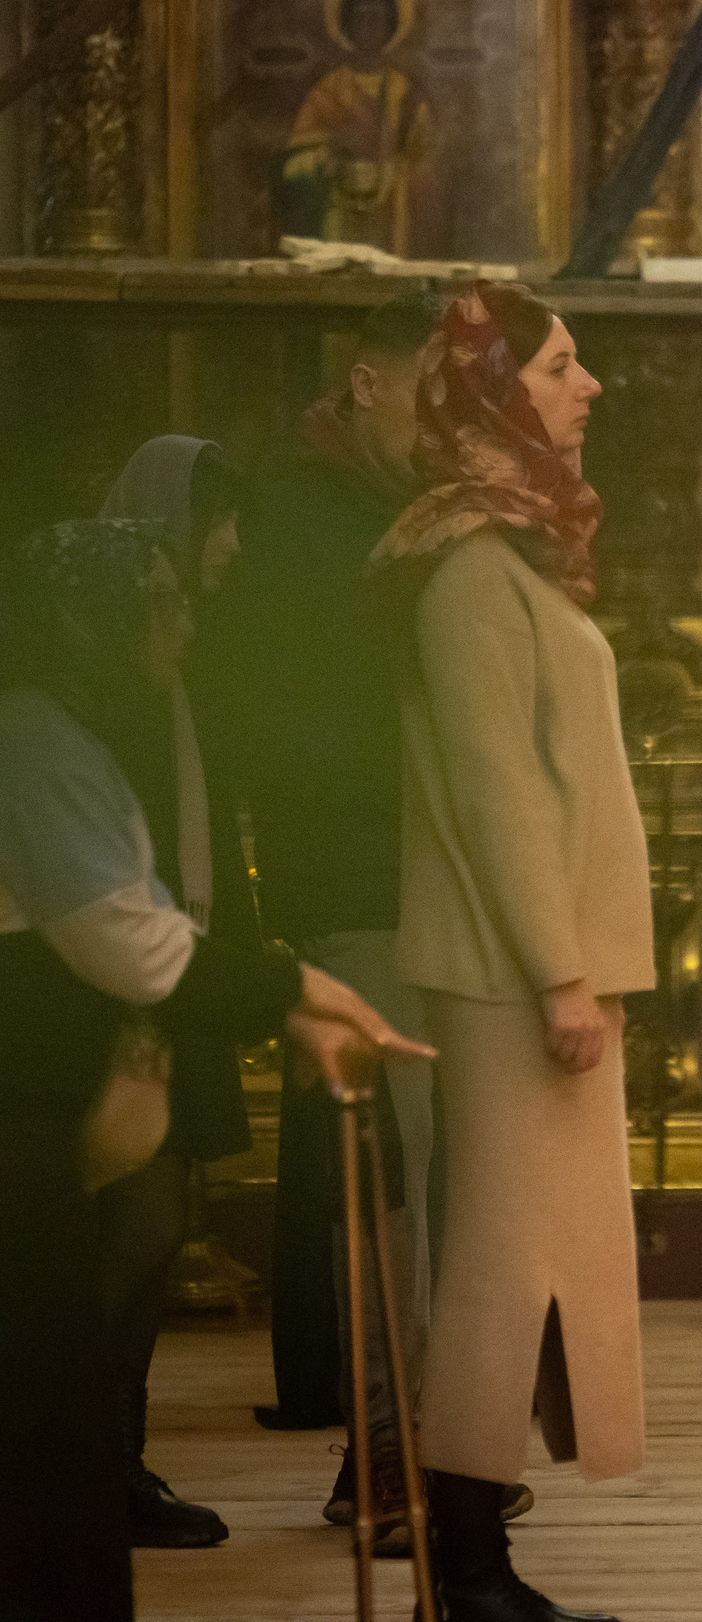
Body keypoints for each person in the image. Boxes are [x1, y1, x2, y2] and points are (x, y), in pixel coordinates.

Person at [0, 520, 429, 1622]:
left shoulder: (80, 726)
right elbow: (123, 935)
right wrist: (289, 991)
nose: (180, 621)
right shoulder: (37, 735)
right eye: (155, 601)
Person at [370, 281, 648, 1622]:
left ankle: (474, 1560)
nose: (584, 384)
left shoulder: (511, 550)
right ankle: (463, 1570)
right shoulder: (471, 566)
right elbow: (497, 789)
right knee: (497, 1262)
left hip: (534, 967)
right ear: (495, 394)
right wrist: (558, 969)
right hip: (508, 975)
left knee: (524, 1261)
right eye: (558, 364)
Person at [194, 290, 469, 1542]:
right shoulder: (304, 521)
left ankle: (425, 1448)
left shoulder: (385, 509)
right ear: (367, 383)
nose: (451, 425)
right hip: (358, 886)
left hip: (422, 881)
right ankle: (386, 1458)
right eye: (432, 393)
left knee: (432, 1182)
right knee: (391, 1187)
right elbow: (281, 724)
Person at [88, 436, 260, 1550]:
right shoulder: (112, 675)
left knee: (154, 1230)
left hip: (173, 967)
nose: (233, 547)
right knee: (133, 1231)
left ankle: (113, 1458)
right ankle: (95, 1462)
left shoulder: (188, 657)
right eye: (218, 523)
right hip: (127, 983)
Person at [276, 0, 441, 255]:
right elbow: (292, 167)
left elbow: (427, 160)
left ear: (391, 26)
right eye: (360, 19)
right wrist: (329, 156)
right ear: (346, 27)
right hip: (338, 210)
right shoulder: (327, 93)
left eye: (377, 19)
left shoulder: (406, 93)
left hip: (392, 210)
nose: (369, 28)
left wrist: (399, 174)